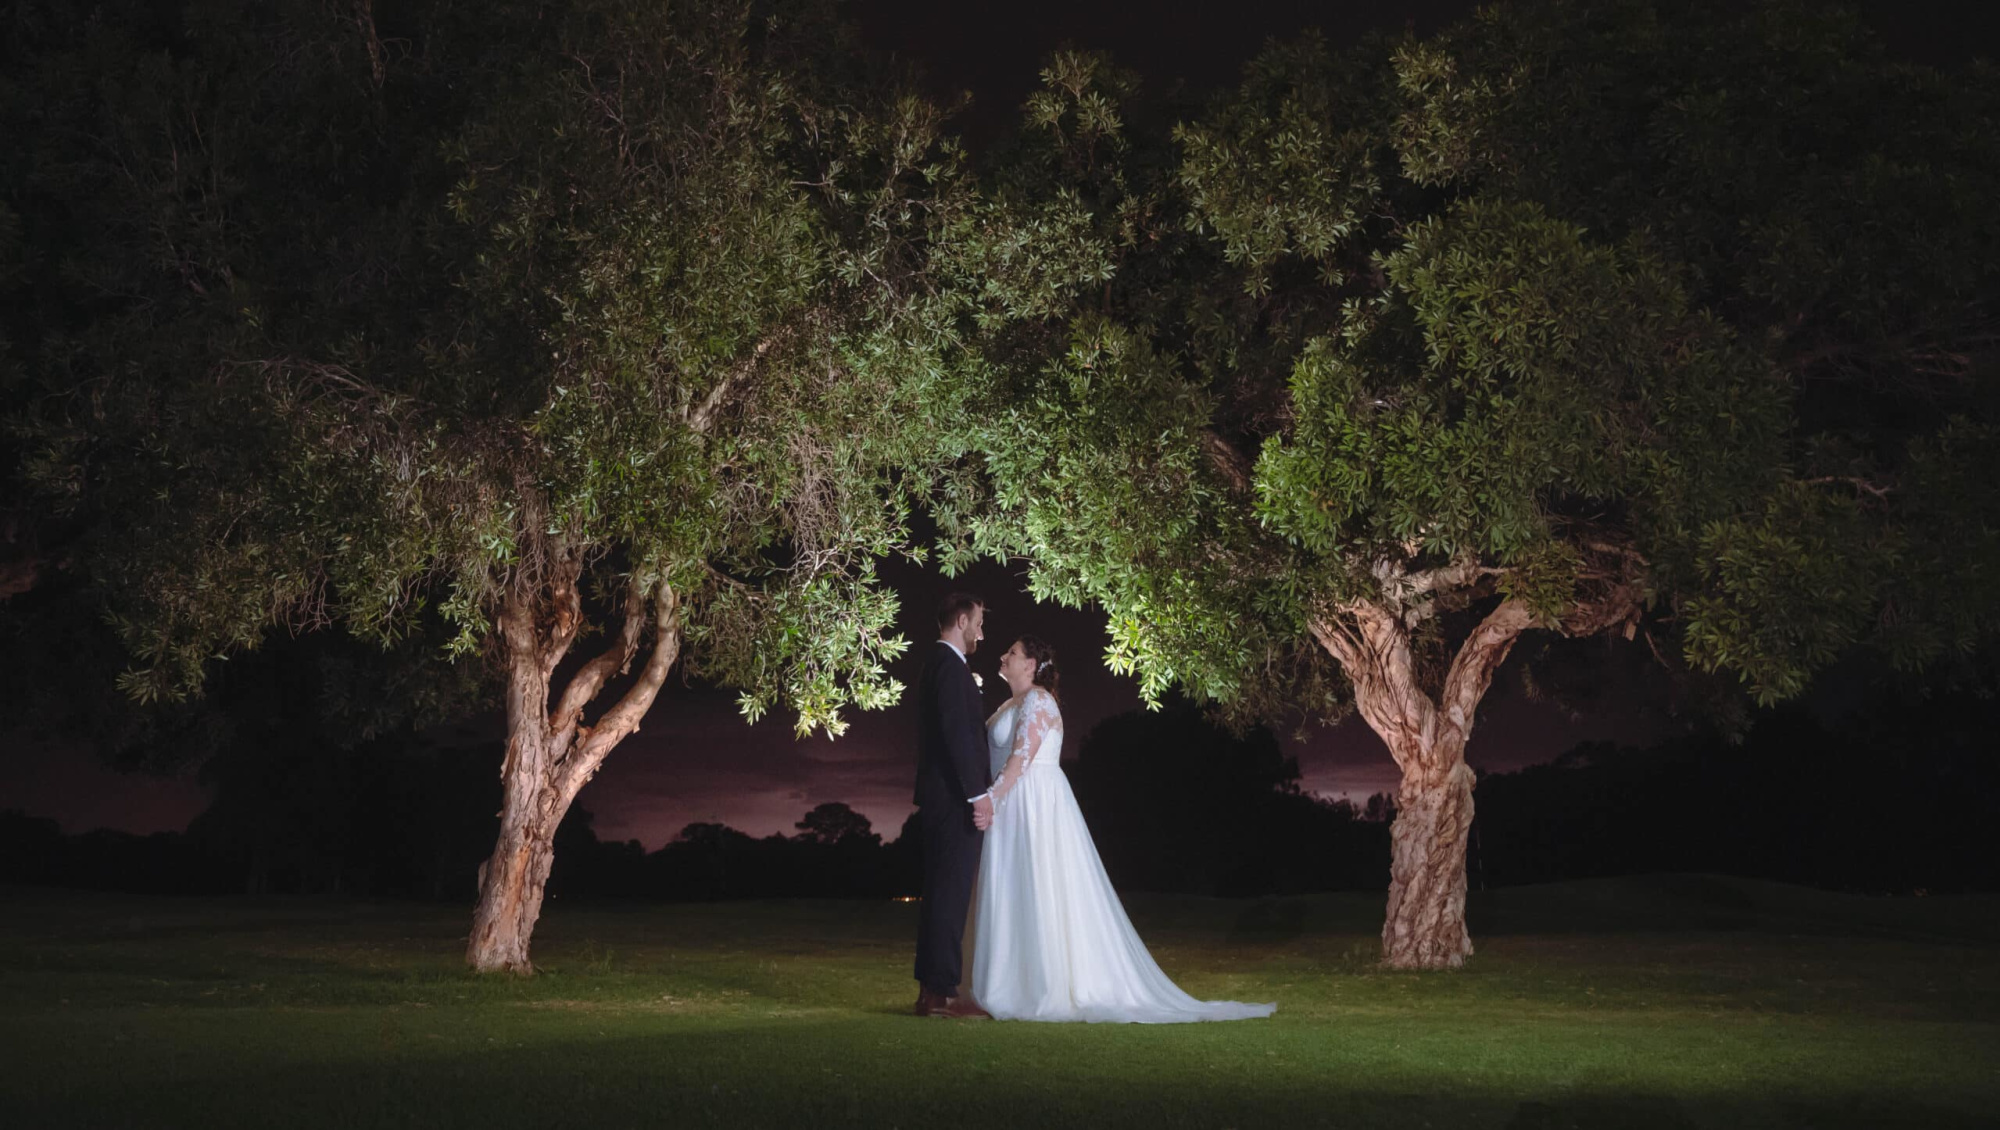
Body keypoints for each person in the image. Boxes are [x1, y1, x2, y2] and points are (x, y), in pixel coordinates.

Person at [969, 635, 1276, 1023]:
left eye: (1011, 652)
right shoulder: (1008, 704)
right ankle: (1007, 978)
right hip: (1012, 804)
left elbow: (1022, 757)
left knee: (1040, 884)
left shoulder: (1039, 701)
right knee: (1012, 888)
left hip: (1033, 803)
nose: (1003, 655)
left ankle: (1040, 984)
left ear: (1030, 664)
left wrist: (991, 798)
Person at [910, 592, 994, 1018]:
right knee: (949, 893)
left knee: (942, 892)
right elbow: (957, 736)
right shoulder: (948, 666)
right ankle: (940, 991)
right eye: (978, 621)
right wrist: (977, 794)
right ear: (962, 620)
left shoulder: (941, 665)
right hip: (952, 799)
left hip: (941, 797)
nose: (982, 630)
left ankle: (932, 989)